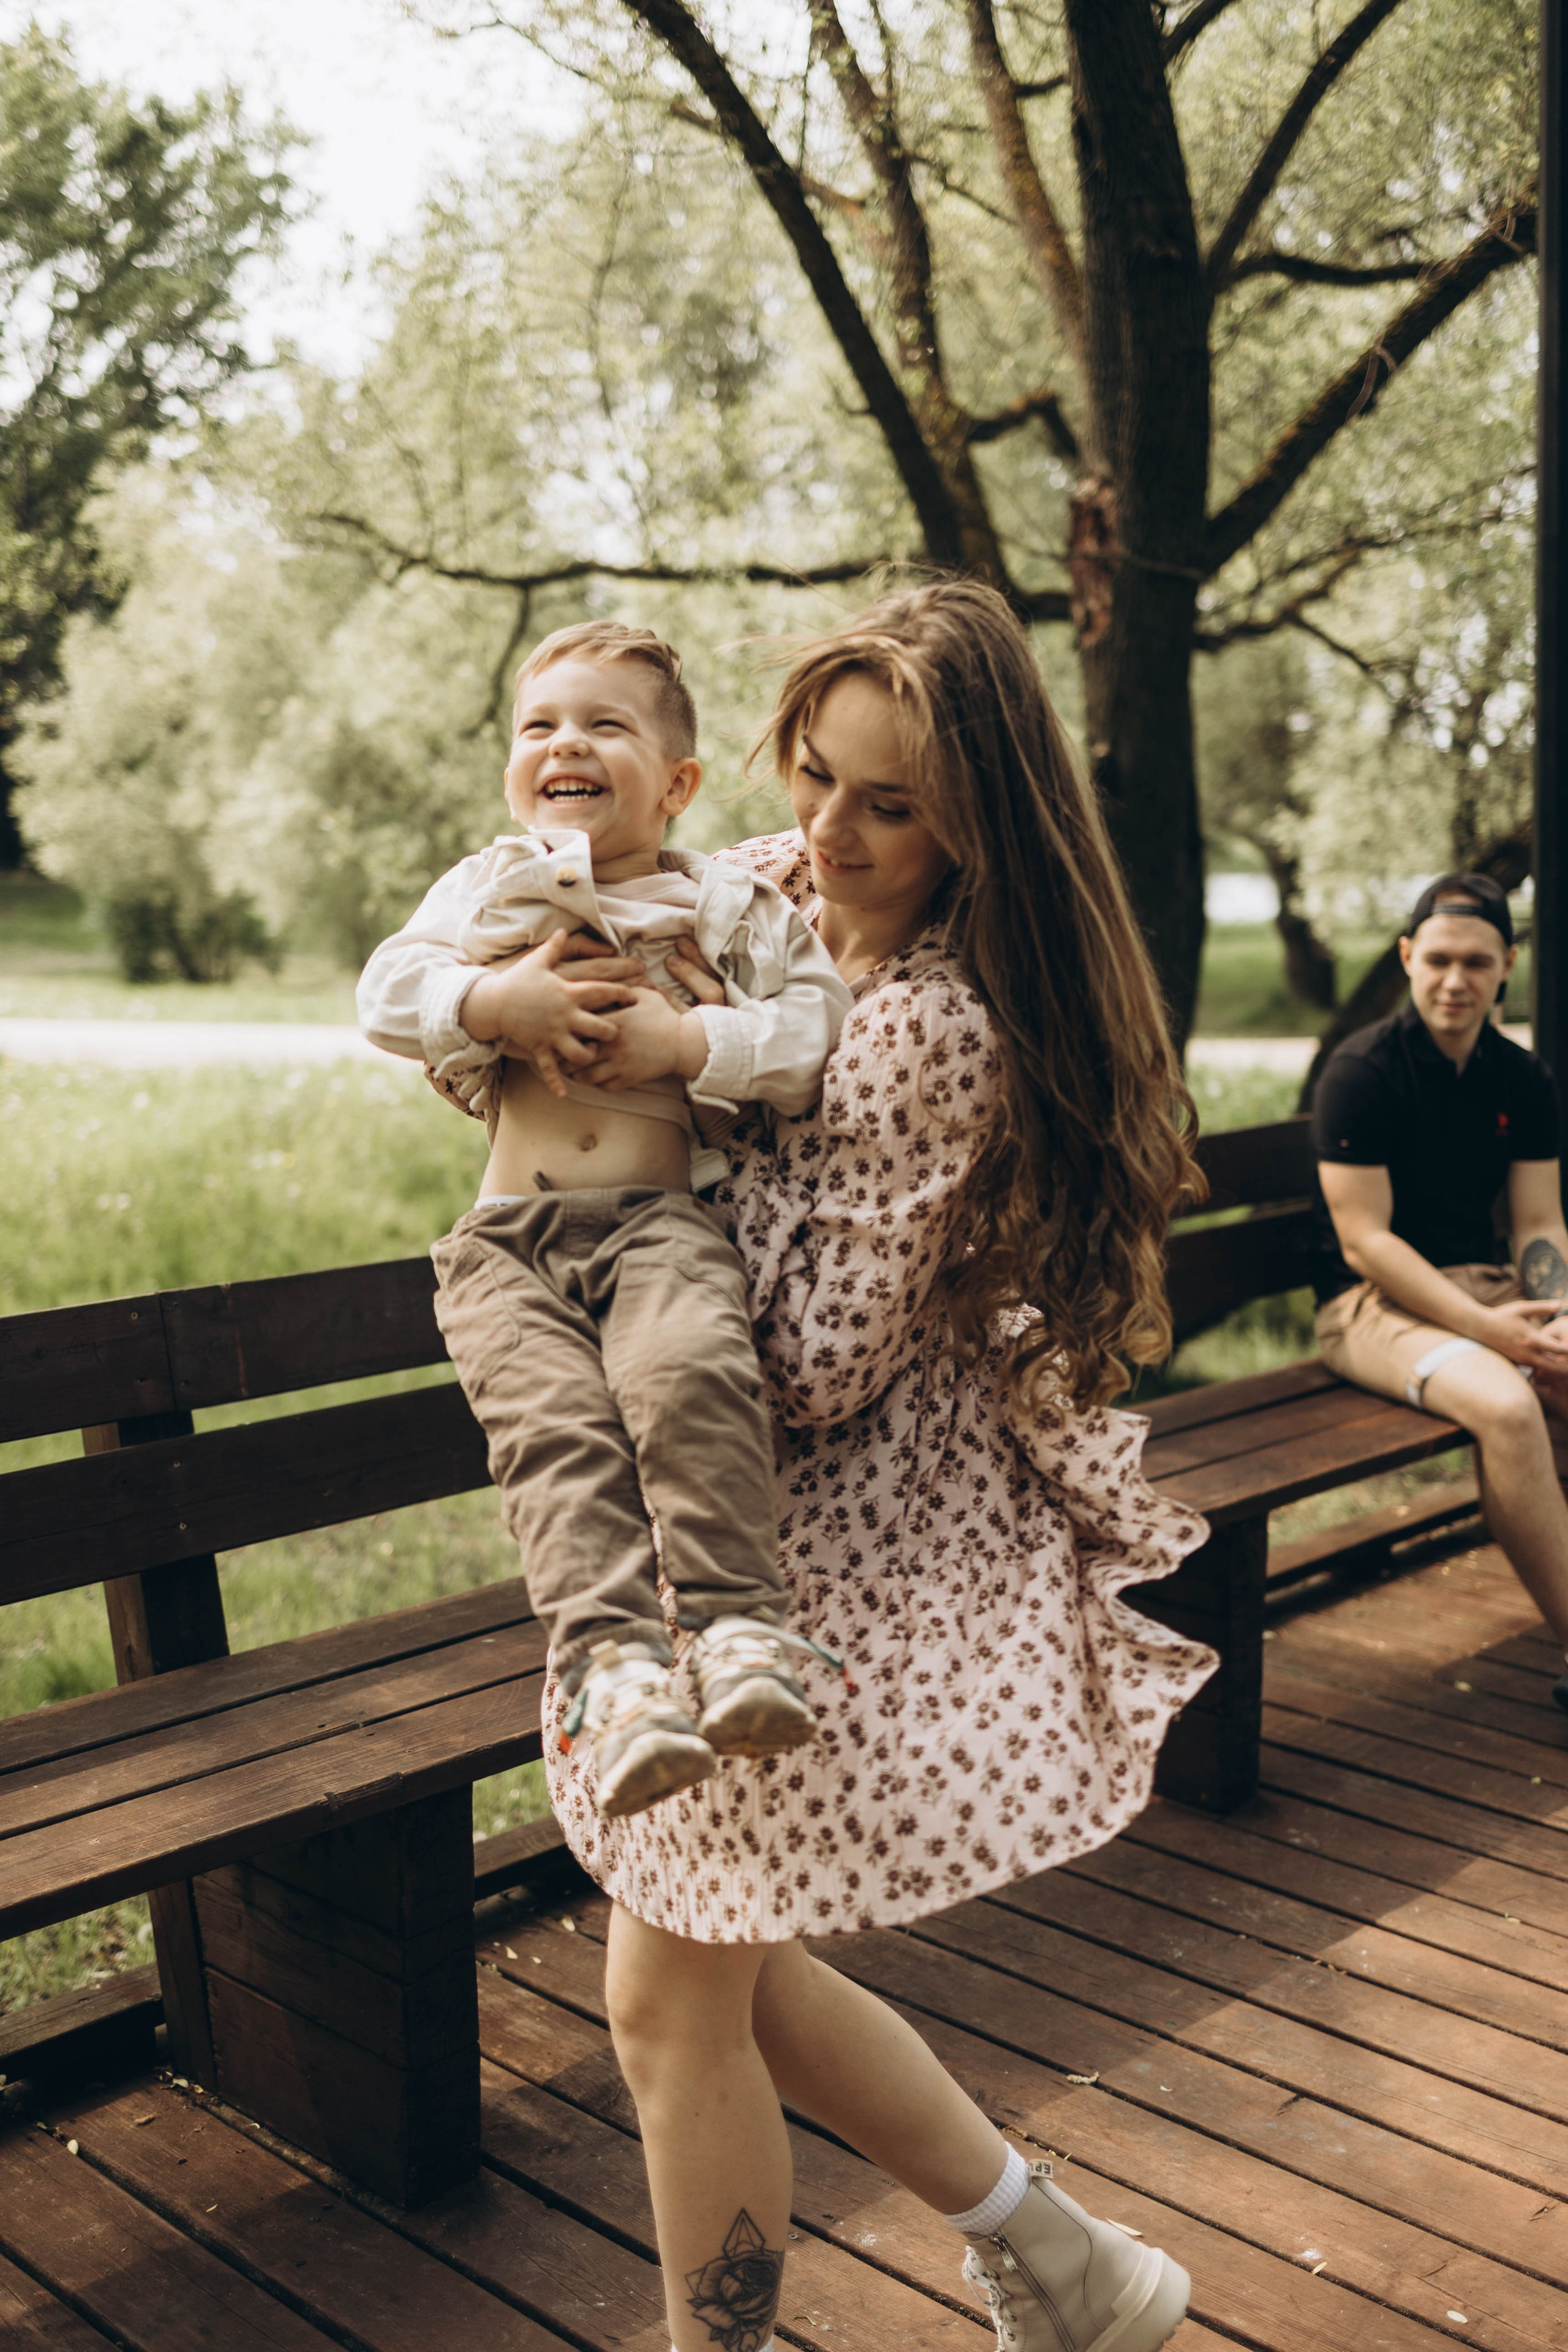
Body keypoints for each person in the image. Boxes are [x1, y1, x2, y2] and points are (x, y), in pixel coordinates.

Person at [498, 582, 1213, 2352]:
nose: (827, 834)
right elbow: (598, 925)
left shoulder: (936, 1028)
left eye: (889, 805)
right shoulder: (780, 891)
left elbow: (811, 1365)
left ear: (982, 821)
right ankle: (1068, 2266)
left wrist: (623, 1229)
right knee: (719, 1964)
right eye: (814, 775)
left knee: (673, 2000)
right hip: (737, 1512)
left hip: (823, 1550)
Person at [358, 620, 855, 1818]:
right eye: (539, 726)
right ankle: (617, 1673)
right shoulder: (488, 888)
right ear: (510, 770)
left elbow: (812, 1026)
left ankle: (740, 1636)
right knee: (558, 1441)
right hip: (505, 1245)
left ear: (677, 785)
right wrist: (494, 998)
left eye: (602, 725)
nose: (564, 743)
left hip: (657, 1224)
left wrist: (686, 1041)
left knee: (688, 1377)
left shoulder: (723, 904)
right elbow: (388, 989)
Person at [1311, 872, 1568, 1708]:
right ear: (1407, 958)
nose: (1455, 981)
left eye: (1478, 963)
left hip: (1485, 1291)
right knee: (1507, 1405)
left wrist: (1556, 1314)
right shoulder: (1362, 1072)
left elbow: (1538, 1223)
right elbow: (1366, 1242)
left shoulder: (1523, 1078)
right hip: (1369, 1307)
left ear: (1508, 967)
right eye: (1439, 960)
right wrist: (1499, 1335)